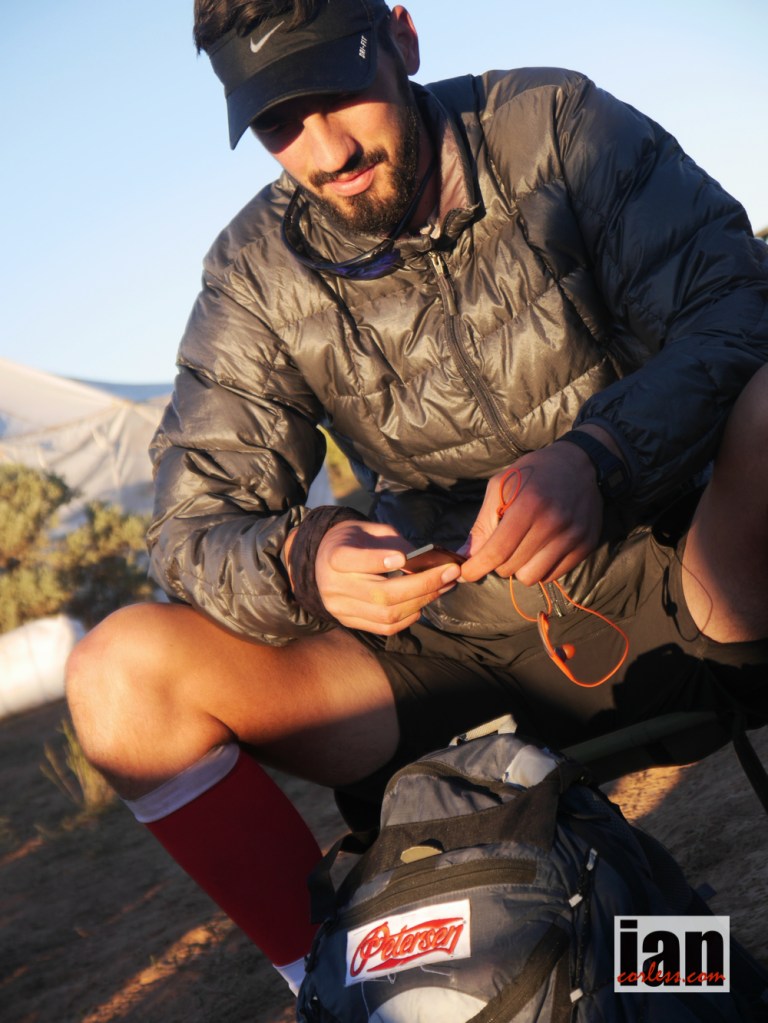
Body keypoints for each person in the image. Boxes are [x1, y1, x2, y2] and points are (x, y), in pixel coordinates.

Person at [66, 0, 768, 998]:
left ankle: (685, 974)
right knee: (120, 674)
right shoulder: (256, 270)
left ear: (401, 37)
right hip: (445, 652)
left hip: (686, 578)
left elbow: (736, 307)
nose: (327, 151)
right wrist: (307, 561)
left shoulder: (555, 125)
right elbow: (193, 525)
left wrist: (601, 458)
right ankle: (335, 991)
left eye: (338, 92)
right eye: (278, 122)